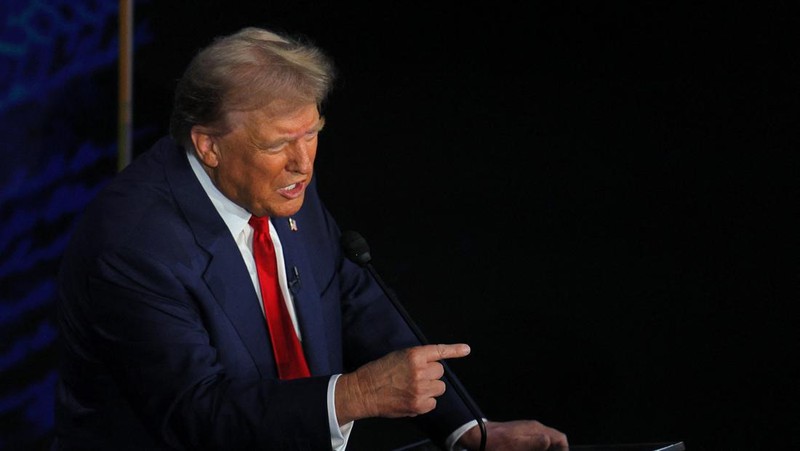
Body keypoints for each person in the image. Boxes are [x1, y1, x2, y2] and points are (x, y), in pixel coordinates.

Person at [53, 26, 568, 450]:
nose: (303, 163)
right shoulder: (133, 245)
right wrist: (354, 395)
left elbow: (348, 294)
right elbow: (196, 414)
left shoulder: (277, 181)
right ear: (208, 145)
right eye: (279, 142)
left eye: (313, 132)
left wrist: (467, 430)